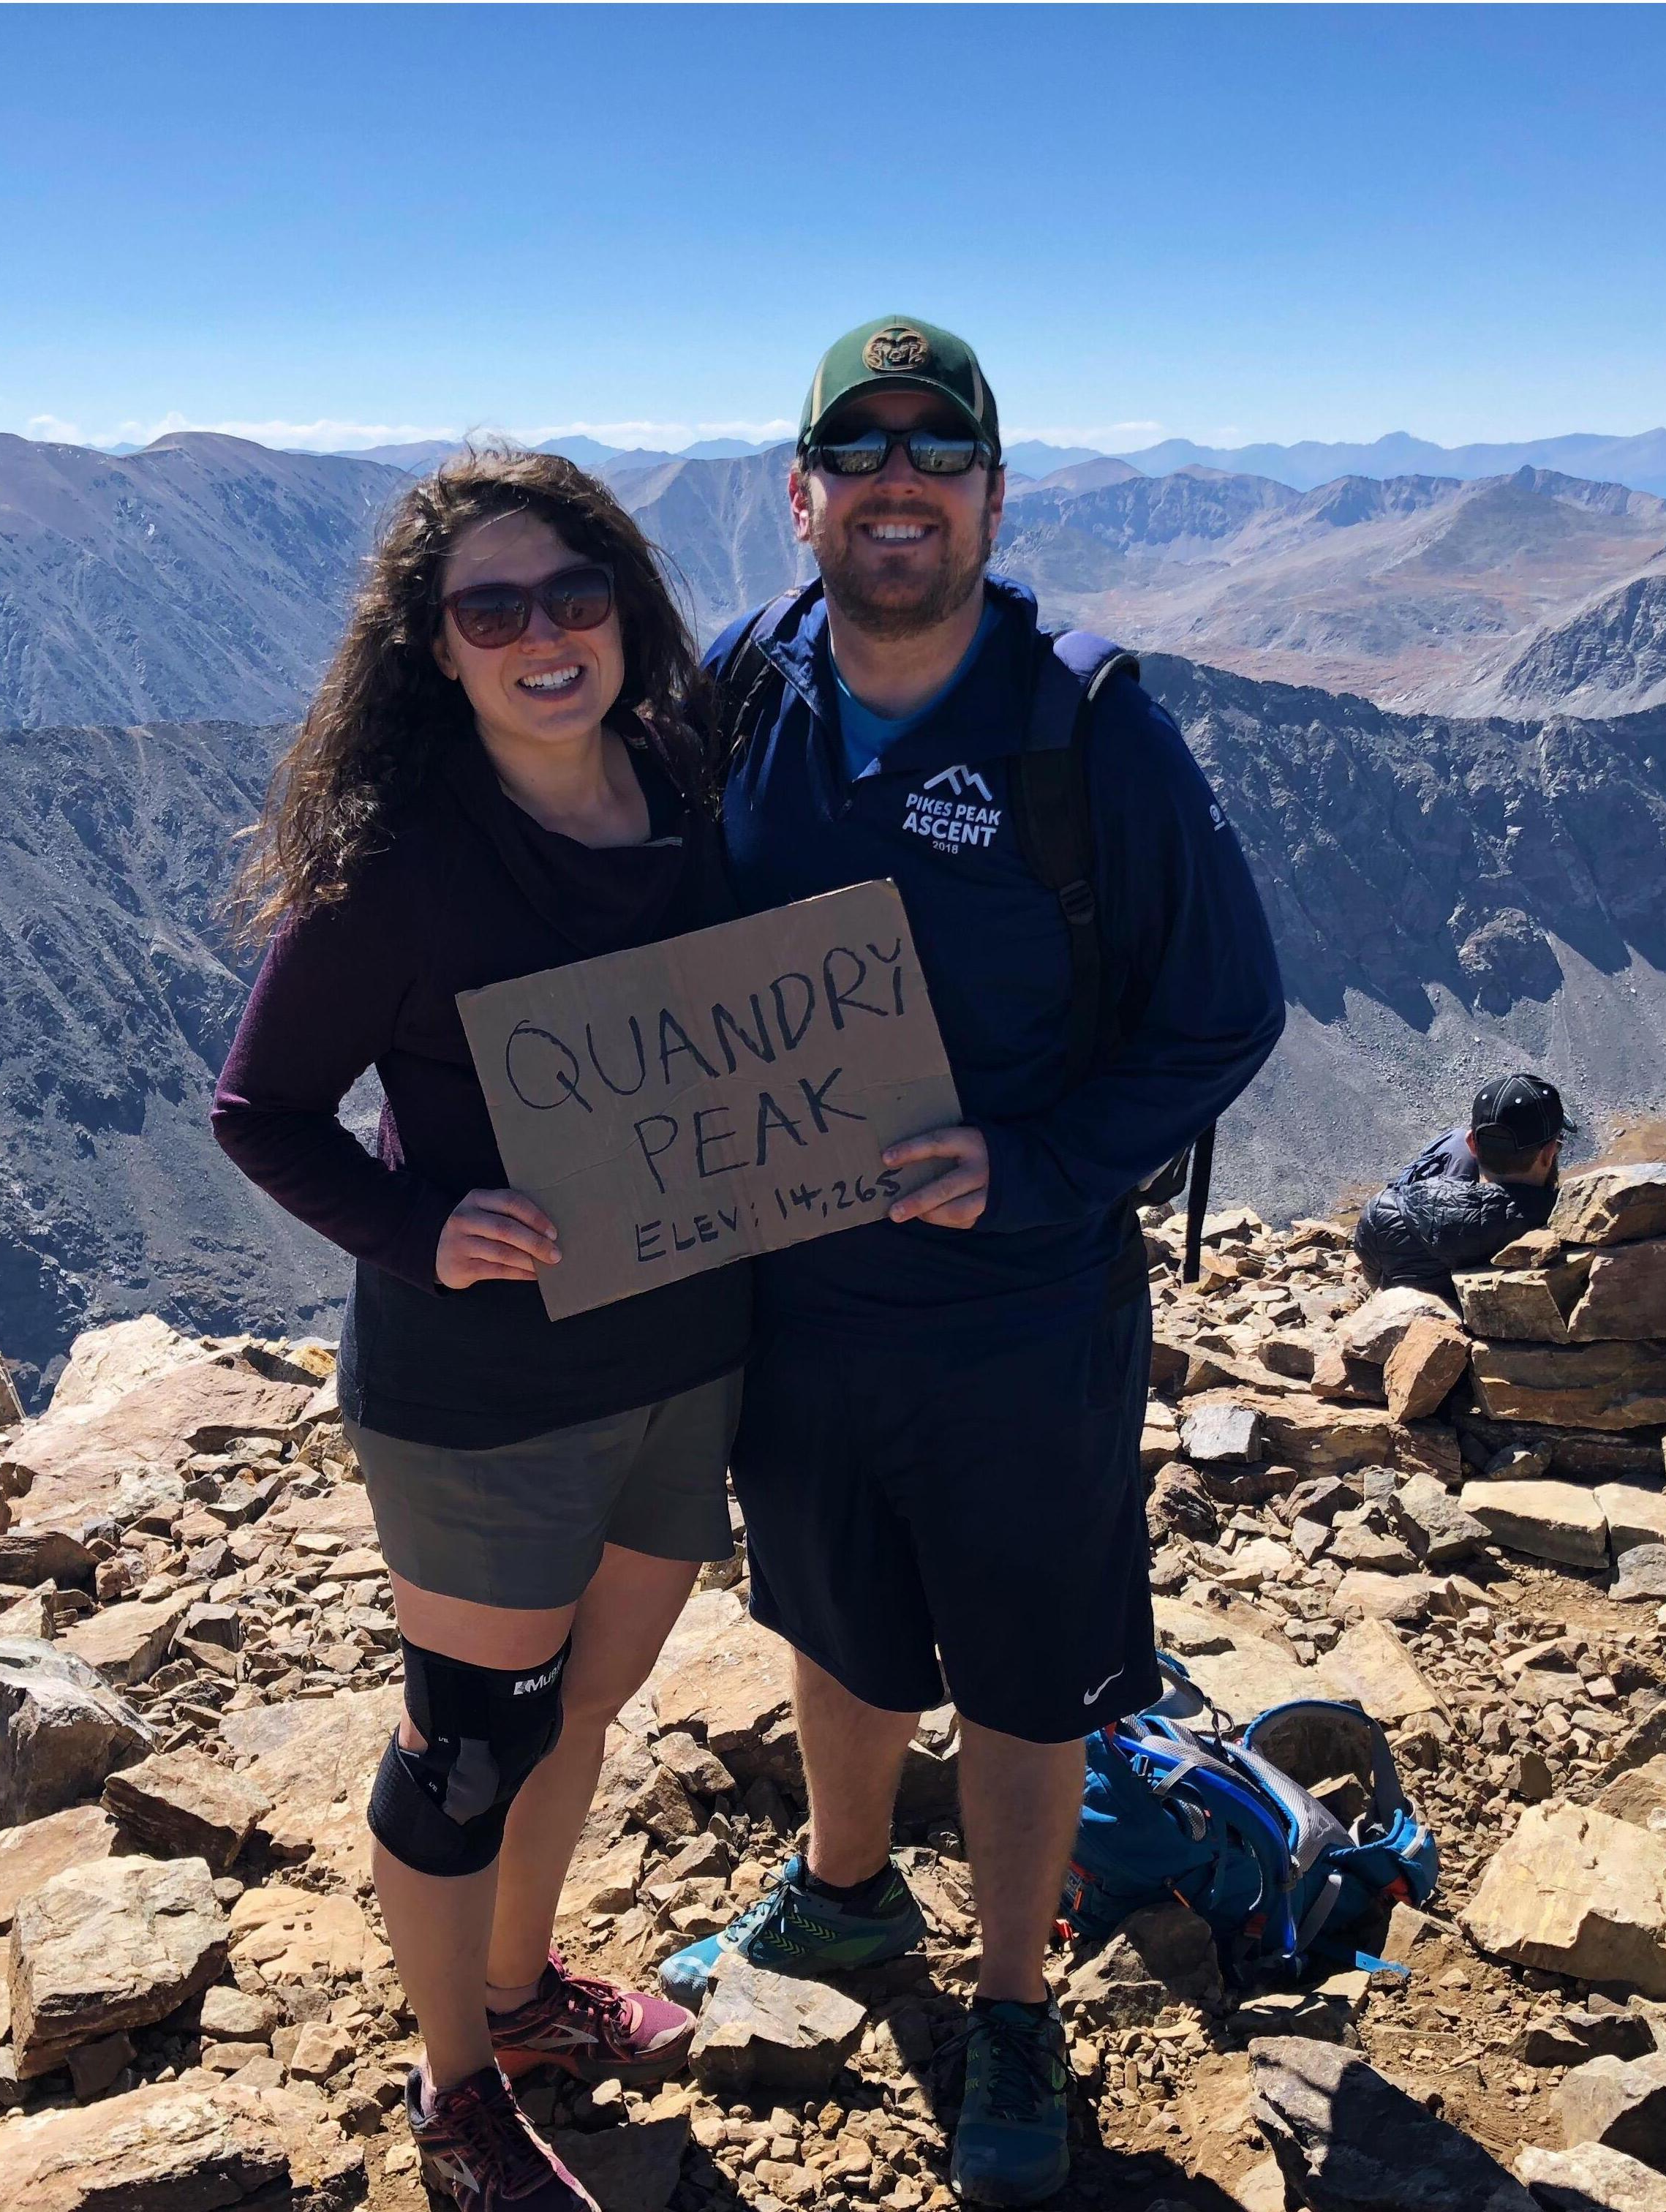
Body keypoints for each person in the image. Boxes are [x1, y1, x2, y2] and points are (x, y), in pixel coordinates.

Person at [668, 316, 1286, 2207]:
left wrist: (1027, 1170)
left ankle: (1011, 2004)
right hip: (803, 1297)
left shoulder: (1084, 725)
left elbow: (1224, 1010)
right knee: (832, 1618)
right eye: (859, 453)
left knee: (1024, 1678)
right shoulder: (742, 690)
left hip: (1022, 1307)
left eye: (940, 454)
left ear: (995, 497)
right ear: (800, 498)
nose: (898, 483)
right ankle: (847, 1898)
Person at [214, 449, 751, 2212]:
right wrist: (420, 1228)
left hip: (680, 1358)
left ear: (628, 616)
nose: (543, 637)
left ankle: (522, 2000)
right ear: (434, 649)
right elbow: (262, 1111)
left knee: (585, 1706)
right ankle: (458, 2093)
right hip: (484, 1397)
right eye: (492, 611)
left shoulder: (684, 778)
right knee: (466, 1749)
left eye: (575, 598)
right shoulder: (399, 871)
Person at [1350, 1072, 1575, 1298]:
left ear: (1472, 1145)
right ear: (1549, 1153)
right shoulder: (1574, 1225)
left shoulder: (1383, 1214)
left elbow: (1375, 1281)